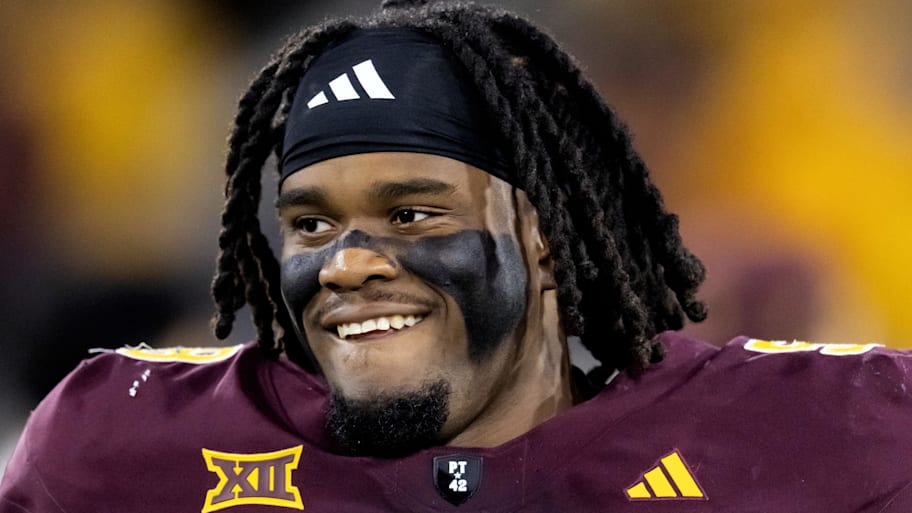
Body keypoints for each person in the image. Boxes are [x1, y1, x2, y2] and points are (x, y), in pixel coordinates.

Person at [3, 1, 912, 511]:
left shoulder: (823, 430)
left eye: (411, 214)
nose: (346, 263)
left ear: (546, 234)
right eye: (311, 224)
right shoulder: (121, 446)